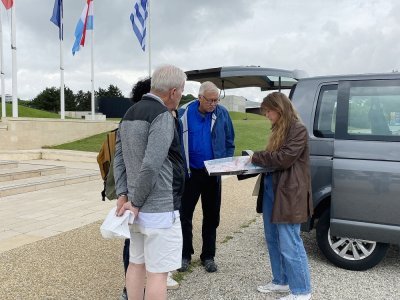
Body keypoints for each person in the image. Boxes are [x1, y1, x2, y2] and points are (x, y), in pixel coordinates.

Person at [115, 64, 186, 300]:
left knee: (136, 264)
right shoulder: (162, 116)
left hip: (134, 208)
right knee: (158, 274)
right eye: (182, 92)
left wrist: (124, 196)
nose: (180, 97)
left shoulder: (128, 114)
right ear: (173, 92)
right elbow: (151, 164)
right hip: (157, 207)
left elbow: (120, 159)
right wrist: (134, 201)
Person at [249, 92, 312, 300]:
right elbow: (274, 159)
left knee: (290, 242)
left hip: (289, 195)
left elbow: (284, 158)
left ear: (279, 108)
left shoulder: (298, 129)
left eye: (268, 111)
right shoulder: (279, 128)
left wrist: (256, 156)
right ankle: (281, 281)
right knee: (273, 239)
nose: (266, 115)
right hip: (272, 190)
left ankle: (302, 291)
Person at [178, 81, 235, 273]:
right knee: (184, 215)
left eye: (216, 100)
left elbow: (229, 141)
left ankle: (208, 256)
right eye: (210, 100)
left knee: (211, 216)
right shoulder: (183, 113)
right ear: (199, 97)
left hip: (213, 173)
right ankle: (185, 255)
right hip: (190, 174)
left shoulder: (222, 113)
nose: (213, 104)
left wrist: (224, 165)